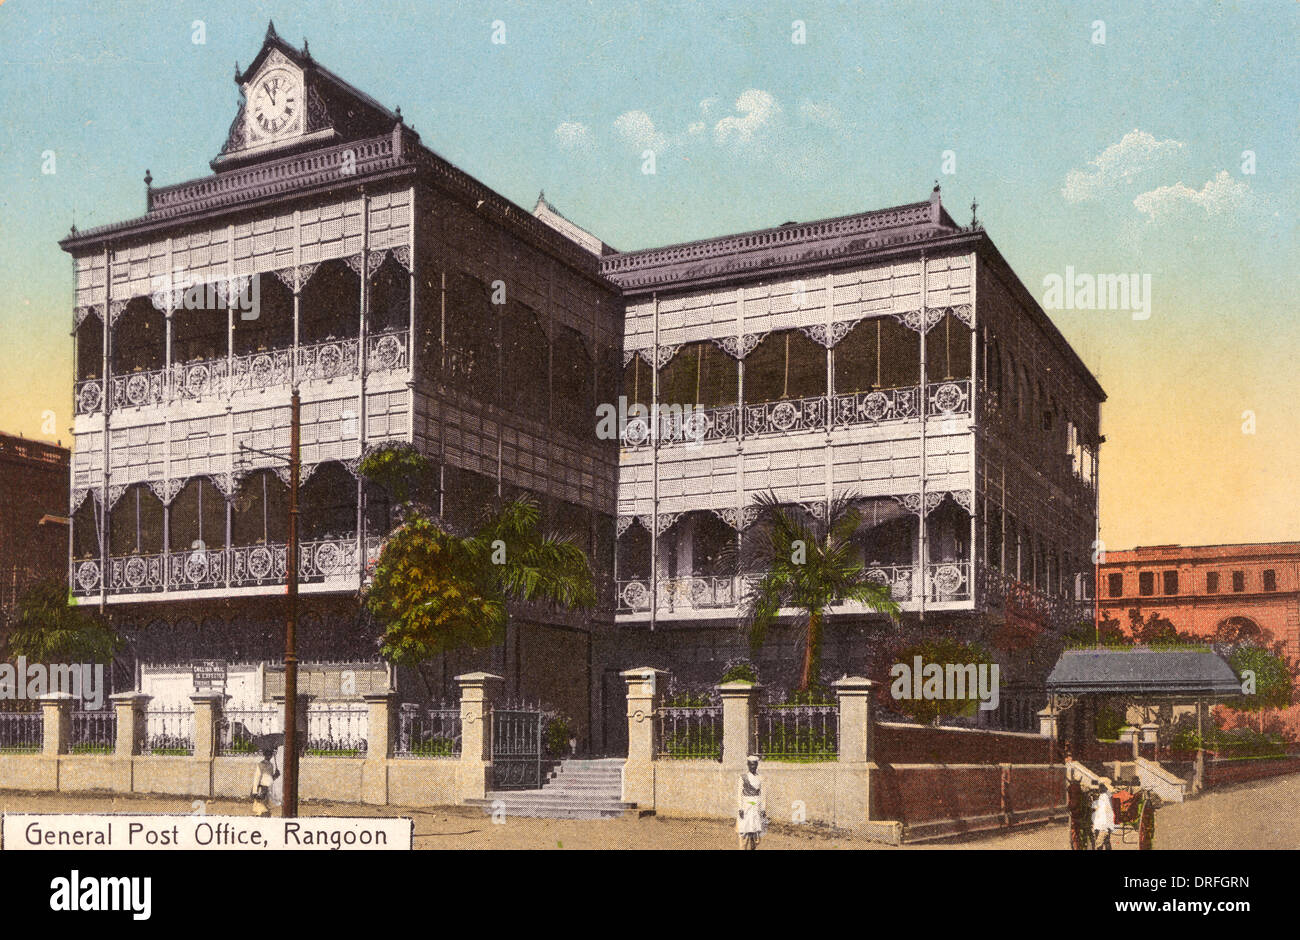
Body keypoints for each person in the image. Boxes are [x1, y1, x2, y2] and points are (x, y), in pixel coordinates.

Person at [736, 755, 766, 850]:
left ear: (757, 765)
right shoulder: (743, 777)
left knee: (754, 832)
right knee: (744, 832)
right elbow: (739, 793)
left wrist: (763, 809)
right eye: (751, 765)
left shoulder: (760, 778)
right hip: (746, 807)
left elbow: (763, 794)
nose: (753, 767)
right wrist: (740, 808)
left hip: (755, 807)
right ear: (748, 765)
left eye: (755, 765)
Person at [1091, 777, 1117, 850]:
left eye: (1102, 787)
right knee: (1103, 840)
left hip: (1104, 822)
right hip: (1099, 822)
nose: (1100, 788)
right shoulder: (1101, 796)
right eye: (1100, 787)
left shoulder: (1107, 796)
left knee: (1104, 840)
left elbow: (1107, 811)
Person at [250, 748, 278, 818]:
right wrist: (255, 791)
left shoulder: (271, 765)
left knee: (266, 807)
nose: (269, 756)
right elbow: (257, 777)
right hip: (262, 788)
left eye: (270, 754)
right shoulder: (261, 764)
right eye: (267, 754)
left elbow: (270, 778)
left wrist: (276, 775)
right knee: (261, 808)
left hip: (269, 788)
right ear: (265, 755)